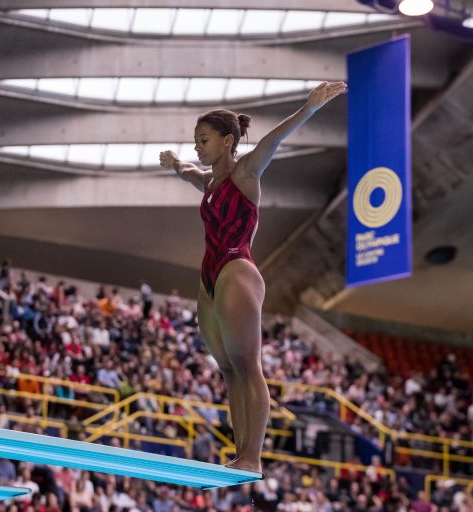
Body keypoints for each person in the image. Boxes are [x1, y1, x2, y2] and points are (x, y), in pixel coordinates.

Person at [158, 81, 345, 473]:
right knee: (228, 370)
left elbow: (274, 141)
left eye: (204, 140)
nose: (198, 146)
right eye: (195, 140)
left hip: (236, 268)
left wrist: (308, 108)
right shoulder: (209, 182)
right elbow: (189, 171)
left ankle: (252, 458)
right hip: (210, 274)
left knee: (247, 365)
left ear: (228, 141)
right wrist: (175, 162)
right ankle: (240, 453)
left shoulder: (247, 172)